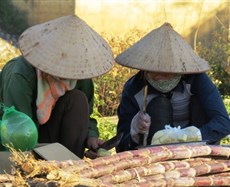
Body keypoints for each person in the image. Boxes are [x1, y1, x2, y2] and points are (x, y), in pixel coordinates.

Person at [0, 15, 114, 159]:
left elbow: (86, 116)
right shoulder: (19, 75)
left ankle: (71, 166)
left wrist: (91, 137)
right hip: (20, 139)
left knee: (78, 99)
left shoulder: (79, 74)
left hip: (53, 137)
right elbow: (15, 130)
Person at [115, 22, 230, 152]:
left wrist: (190, 137)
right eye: (156, 71)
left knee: (199, 104)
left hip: (198, 147)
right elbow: (121, 144)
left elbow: (223, 123)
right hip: (155, 151)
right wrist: (134, 133)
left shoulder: (197, 80)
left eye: (168, 72)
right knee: (160, 105)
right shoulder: (133, 88)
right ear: (145, 69)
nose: (162, 76)